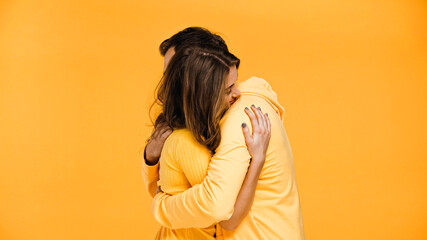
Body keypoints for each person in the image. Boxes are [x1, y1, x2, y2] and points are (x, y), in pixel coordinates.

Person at [142, 27, 305, 239]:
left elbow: (218, 210)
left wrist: (160, 207)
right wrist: (150, 159)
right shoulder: (206, 123)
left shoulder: (241, 117)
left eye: (173, 75)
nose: (167, 85)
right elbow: (180, 191)